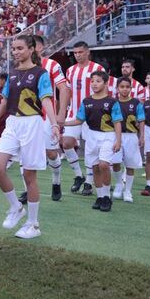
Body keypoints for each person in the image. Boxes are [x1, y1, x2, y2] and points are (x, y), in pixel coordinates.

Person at [0, 35, 59, 239]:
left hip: (32, 124)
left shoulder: (41, 73)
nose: (15, 52)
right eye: (13, 49)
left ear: (31, 50)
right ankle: (16, 207)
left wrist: (54, 123)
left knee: (29, 176)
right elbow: (4, 101)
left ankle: (33, 224)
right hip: (12, 123)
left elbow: (46, 100)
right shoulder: (12, 74)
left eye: (20, 48)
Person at [64, 71, 122, 212]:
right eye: (92, 81)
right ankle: (100, 197)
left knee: (103, 165)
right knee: (95, 167)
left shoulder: (112, 102)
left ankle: (107, 197)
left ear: (106, 83)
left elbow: (117, 122)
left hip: (108, 136)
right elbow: (79, 120)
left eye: (98, 81)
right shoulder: (87, 101)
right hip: (92, 136)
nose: (94, 84)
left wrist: (118, 140)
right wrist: (62, 123)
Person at [63, 41, 105, 196]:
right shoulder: (70, 70)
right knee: (66, 143)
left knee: (90, 148)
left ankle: (89, 181)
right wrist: (63, 111)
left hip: (92, 114)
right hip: (74, 112)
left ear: (87, 52)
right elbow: (67, 92)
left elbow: (103, 90)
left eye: (80, 52)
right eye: (75, 53)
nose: (78, 55)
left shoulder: (98, 68)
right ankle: (78, 175)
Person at [34, 35, 70, 201]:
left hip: (47, 117)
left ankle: (56, 180)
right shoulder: (21, 65)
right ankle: (28, 189)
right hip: (26, 117)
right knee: (26, 153)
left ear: (40, 47)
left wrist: (61, 114)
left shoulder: (52, 65)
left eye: (32, 45)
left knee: (51, 153)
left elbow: (63, 88)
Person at [110, 77, 145, 203]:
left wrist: (142, 136)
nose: (124, 89)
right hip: (116, 136)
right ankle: (119, 184)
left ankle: (128, 191)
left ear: (131, 88)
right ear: (117, 88)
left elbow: (141, 120)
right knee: (115, 162)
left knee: (130, 164)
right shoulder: (113, 102)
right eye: (122, 87)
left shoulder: (136, 103)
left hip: (131, 136)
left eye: (127, 87)